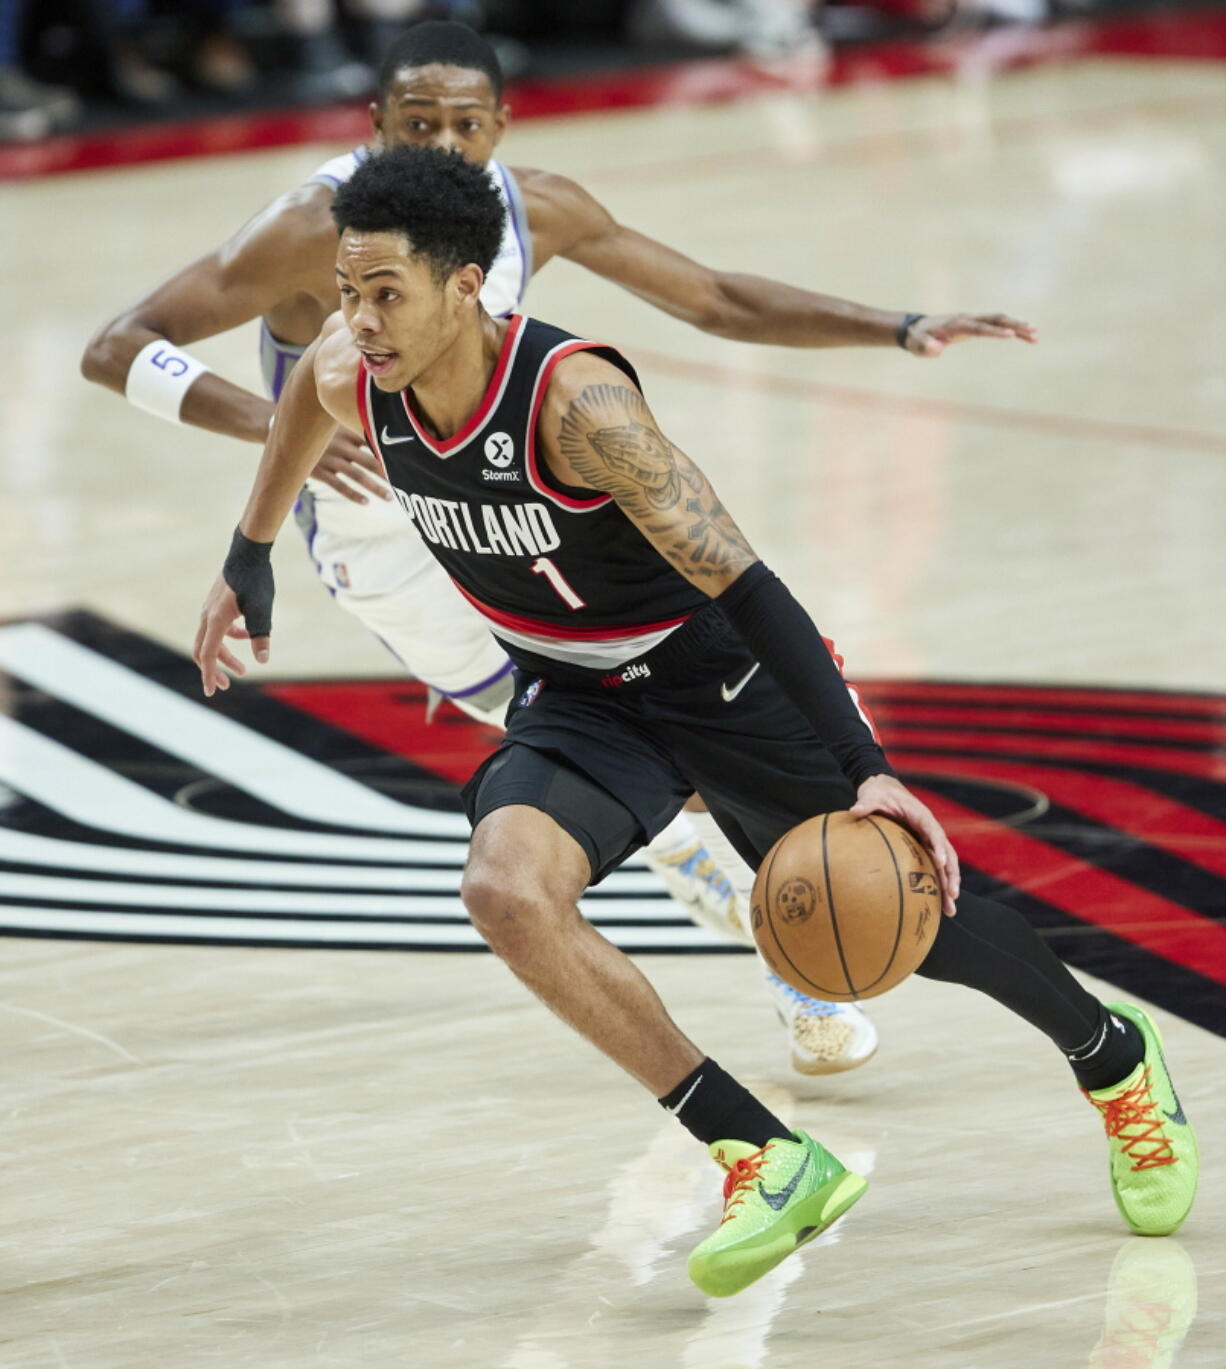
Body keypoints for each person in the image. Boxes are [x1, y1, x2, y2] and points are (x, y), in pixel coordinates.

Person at [194, 145, 1197, 1297]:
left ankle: (1111, 1055)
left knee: (903, 920)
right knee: (504, 890)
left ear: (466, 286)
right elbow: (293, 420)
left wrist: (866, 768)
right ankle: (761, 1153)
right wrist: (250, 557)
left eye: (387, 295)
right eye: (347, 292)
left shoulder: (577, 404)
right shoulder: (346, 368)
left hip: (717, 674)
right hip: (576, 695)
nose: (360, 321)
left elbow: (744, 583)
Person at [81, 19, 1036, 1074]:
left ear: (500, 125)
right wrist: (272, 453)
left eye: (464, 125)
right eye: (416, 124)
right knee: (603, 762)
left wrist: (896, 325)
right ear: (374, 124)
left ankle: (770, 909)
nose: (442, 146)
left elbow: (712, 298)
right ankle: (759, 924)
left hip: (516, 496)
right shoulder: (315, 227)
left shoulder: (532, 206)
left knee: (661, 698)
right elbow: (117, 347)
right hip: (388, 538)